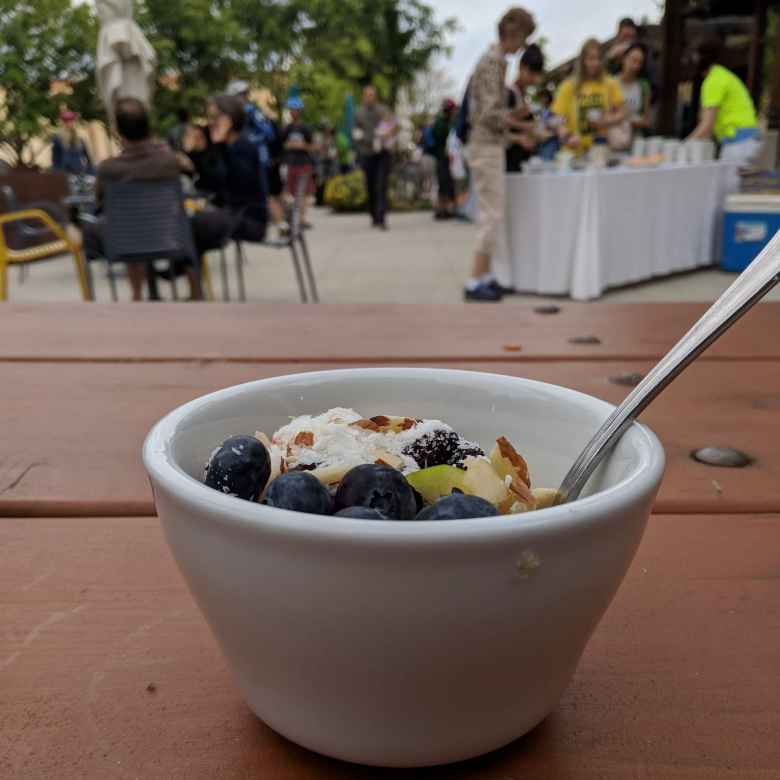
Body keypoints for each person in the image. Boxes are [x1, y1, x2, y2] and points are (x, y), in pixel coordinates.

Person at [81, 98, 202, 301]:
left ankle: (136, 296)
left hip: (125, 242)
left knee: (121, 224)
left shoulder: (107, 169)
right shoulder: (171, 161)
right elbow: (192, 172)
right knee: (192, 225)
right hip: (171, 236)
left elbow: (100, 203)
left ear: (118, 132)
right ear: (148, 127)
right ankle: (196, 292)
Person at [464, 7, 537, 302]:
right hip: (487, 146)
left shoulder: (491, 60)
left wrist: (515, 122)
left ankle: (484, 275)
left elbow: (487, 112)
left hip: (486, 144)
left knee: (491, 212)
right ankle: (474, 280)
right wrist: (520, 123)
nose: (523, 47)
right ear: (514, 33)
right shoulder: (494, 62)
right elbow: (490, 114)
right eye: (524, 38)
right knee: (491, 214)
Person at [183, 94, 268, 250]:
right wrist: (195, 154)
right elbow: (210, 182)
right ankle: (184, 268)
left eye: (215, 117)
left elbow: (239, 185)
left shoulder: (244, 145)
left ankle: (179, 267)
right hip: (232, 214)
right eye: (209, 117)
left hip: (250, 220)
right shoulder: (227, 146)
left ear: (230, 117)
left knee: (194, 224)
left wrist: (217, 145)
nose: (210, 122)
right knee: (188, 221)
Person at [686, 36, 760, 166]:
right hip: (747, 142)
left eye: (695, 55)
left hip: (737, 144)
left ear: (702, 57)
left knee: (727, 185)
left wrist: (683, 147)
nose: (693, 60)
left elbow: (707, 125)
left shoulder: (713, 81)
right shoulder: (724, 75)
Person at [226, 79, 286, 236]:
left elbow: (268, 133)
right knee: (267, 192)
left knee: (264, 193)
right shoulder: (250, 111)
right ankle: (281, 222)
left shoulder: (249, 111)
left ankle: (280, 224)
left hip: (258, 158)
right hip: (258, 157)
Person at [553, 38, 625, 155]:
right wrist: (567, 136)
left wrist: (606, 121)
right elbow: (557, 119)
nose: (595, 63)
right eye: (591, 59)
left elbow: (622, 113)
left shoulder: (610, 83)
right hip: (573, 153)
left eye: (598, 59)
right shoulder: (568, 86)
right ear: (582, 60)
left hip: (602, 151)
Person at [354, 85, 397, 230]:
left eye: (372, 95)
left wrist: (389, 132)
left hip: (383, 153)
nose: (369, 98)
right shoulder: (358, 113)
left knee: (381, 185)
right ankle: (373, 215)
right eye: (367, 95)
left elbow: (394, 125)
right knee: (371, 186)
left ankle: (381, 218)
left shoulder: (383, 110)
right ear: (363, 96)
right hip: (367, 154)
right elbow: (356, 134)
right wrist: (369, 140)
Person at [505, 43, 546, 173]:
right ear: (521, 67)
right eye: (531, 73)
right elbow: (499, 128)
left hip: (522, 162)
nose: (534, 79)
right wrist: (520, 139)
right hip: (509, 164)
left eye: (536, 74)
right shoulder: (509, 94)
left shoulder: (524, 97)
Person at [281, 96, 315, 227]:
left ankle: (302, 219)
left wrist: (302, 146)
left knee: (305, 192)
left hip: (304, 162)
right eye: (291, 109)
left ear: (300, 111)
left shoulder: (306, 128)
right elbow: (281, 144)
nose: (292, 112)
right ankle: (289, 217)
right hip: (289, 163)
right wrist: (288, 146)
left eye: (295, 109)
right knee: (288, 191)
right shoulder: (287, 128)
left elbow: (313, 146)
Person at [431, 99, 458, 219]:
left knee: (447, 183)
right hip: (443, 156)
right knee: (444, 183)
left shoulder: (444, 122)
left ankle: (446, 208)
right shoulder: (443, 123)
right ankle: (442, 209)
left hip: (445, 156)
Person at [51, 110, 94, 176]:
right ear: (62, 123)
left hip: (79, 172)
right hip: (64, 173)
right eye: (66, 121)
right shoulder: (57, 139)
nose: (69, 123)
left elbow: (88, 158)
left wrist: (90, 172)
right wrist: (57, 174)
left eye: (71, 120)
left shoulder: (80, 138)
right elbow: (55, 160)